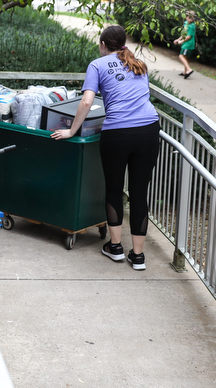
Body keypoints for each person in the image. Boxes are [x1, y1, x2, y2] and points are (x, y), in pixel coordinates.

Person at [50, 25, 159, 271]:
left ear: (102, 44)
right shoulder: (139, 64)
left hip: (118, 131)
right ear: (123, 44)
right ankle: (139, 256)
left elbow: (87, 100)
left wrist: (72, 130)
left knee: (114, 188)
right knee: (140, 192)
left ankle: (116, 247)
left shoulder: (97, 65)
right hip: (148, 129)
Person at [173, 10, 196, 78]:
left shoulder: (192, 26)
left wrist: (181, 41)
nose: (190, 19)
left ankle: (189, 69)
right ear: (186, 17)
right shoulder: (186, 23)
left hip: (188, 44)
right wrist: (178, 39)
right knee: (185, 57)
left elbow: (189, 36)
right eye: (189, 17)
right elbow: (184, 34)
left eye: (192, 17)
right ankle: (185, 72)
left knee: (181, 56)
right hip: (185, 44)